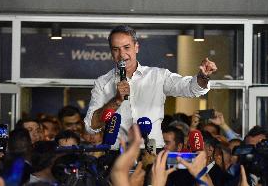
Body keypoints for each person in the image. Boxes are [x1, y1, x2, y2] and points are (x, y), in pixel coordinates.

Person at [84, 25, 217, 148]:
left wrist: (203, 76)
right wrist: (116, 100)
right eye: (116, 49)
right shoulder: (102, 83)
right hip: (117, 154)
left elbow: (191, 89)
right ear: (111, 52)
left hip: (152, 153)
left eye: (127, 47)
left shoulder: (158, 76)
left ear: (136, 47)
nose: (122, 54)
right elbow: (91, 126)